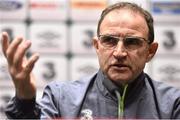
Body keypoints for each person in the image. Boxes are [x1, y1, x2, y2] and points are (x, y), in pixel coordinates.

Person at [1, 2, 180, 119]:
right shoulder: (60, 98)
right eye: (109, 40)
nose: (119, 52)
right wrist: (24, 99)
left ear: (151, 51)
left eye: (132, 42)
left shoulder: (172, 104)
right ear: (97, 46)